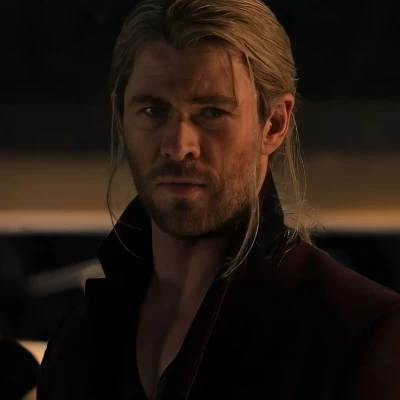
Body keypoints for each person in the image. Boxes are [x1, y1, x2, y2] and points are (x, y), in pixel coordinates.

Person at [37, 0, 400, 399]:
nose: (179, 146)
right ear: (121, 119)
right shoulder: (79, 345)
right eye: (153, 111)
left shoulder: (359, 332)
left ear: (274, 124)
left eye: (211, 112)